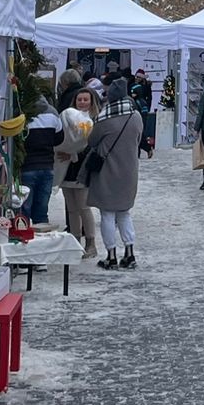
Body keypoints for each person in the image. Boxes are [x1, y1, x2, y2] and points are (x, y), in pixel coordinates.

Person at [83, 87, 145, 269]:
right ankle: (129, 253)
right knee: (124, 212)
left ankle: (111, 256)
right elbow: (138, 139)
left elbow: (92, 141)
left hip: (107, 170)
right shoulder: (136, 117)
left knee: (107, 214)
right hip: (129, 171)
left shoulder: (105, 119)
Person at [57, 88, 99, 254]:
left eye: (85, 100)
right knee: (71, 208)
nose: (82, 103)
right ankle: (74, 242)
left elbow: (92, 147)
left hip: (82, 169)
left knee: (84, 207)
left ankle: (91, 243)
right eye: (79, 99)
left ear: (91, 102)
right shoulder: (67, 118)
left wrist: (73, 154)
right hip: (66, 169)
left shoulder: (94, 121)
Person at [19, 97, 61, 227]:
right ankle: (41, 241)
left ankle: (23, 235)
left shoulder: (23, 112)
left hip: (27, 165)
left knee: (24, 207)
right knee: (42, 210)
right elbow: (60, 138)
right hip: (47, 165)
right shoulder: (53, 113)